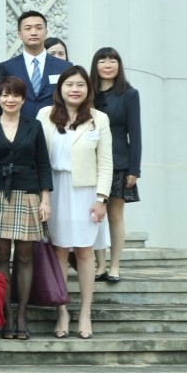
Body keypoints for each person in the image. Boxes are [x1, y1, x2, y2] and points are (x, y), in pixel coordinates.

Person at [0, 76, 52, 339]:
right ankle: (6, 315)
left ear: (23, 98)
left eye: (15, 95)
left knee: (25, 257)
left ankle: (22, 315)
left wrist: (45, 199)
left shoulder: (34, 125)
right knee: (0, 259)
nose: (10, 99)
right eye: (5, 95)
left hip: (28, 194)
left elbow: (43, 163)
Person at [38, 66, 112, 339]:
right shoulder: (45, 115)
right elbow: (37, 155)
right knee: (58, 250)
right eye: (69, 84)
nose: (75, 89)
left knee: (84, 251)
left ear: (88, 89)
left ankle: (85, 313)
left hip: (86, 192)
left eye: (80, 84)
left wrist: (102, 199)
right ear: (60, 89)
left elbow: (106, 162)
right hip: (53, 190)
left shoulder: (99, 119)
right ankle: (62, 311)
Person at [90, 47, 141, 284]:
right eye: (102, 60)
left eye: (113, 60)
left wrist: (134, 169)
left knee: (115, 215)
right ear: (96, 65)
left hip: (120, 162)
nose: (108, 64)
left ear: (119, 65)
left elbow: (135, 134)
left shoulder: (129, 94)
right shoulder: (88, 92)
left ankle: (114, 266)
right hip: (92, 162)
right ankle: (99, 265)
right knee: (95, 214)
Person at [1, 11, 71, 119]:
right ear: (19, 34)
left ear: (46, 32)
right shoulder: (6, 67)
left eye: (39, 28)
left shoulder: (64, 67)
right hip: (19, 129)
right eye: (28, 28)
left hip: (56, 127)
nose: (34, 32)